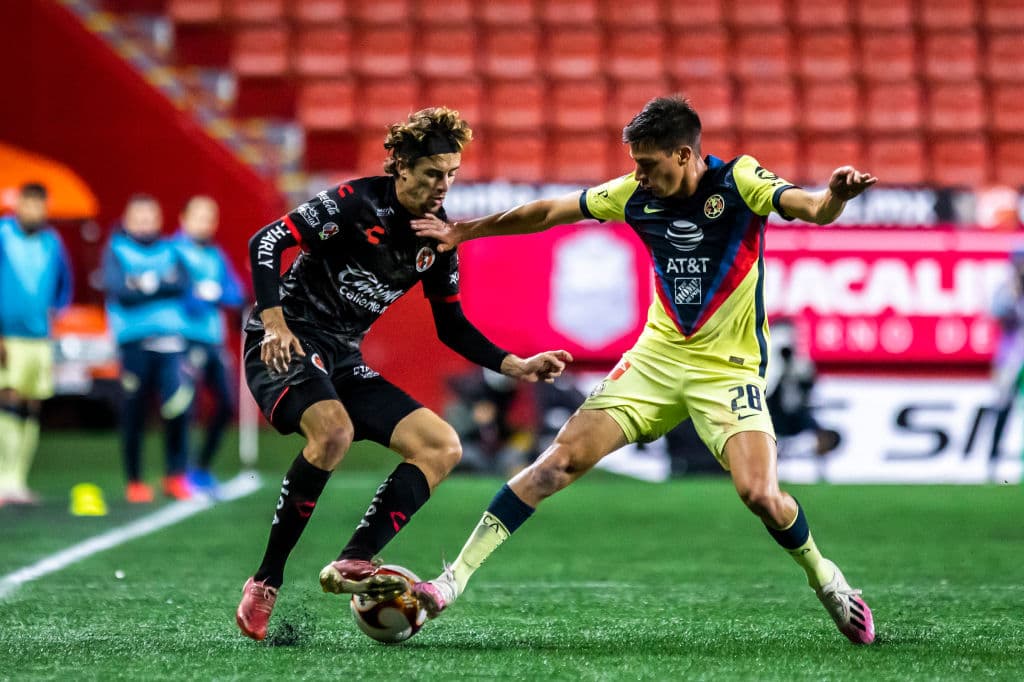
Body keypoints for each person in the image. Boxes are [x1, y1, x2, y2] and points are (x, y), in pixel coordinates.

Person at [410, 96, 879, 645]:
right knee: (553, 466)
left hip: (726, 372)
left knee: (761, 495)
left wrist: (835, 198)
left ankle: (828, 580)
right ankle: (449, 583)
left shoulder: (740, 181)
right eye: (634, 163)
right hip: (654, 362)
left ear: (684, 155)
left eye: (648, 164)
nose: (638, 175)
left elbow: (810, 207)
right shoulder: (634, 194)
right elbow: (547, 213)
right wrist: (464, 231)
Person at [234, 107, 571, 642]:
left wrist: (515, 364)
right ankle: (265, 581)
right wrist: (273, 323)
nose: (444, 185)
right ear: (402, 168)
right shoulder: (353, 203)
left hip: (341, 356)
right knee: (334, 432)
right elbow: (266, 242)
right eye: (434, 173)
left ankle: (354, 560)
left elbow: (452, 327)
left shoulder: (437, 240)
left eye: (452, 174)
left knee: (442, 446)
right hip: (286, 341)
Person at [102, 194, 194, 503]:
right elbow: (120, 291)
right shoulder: (115, 249)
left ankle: (175, 476)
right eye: (138, 217)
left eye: (149, 217)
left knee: (178, 409)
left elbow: (181, 284)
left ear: (158, 220)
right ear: (127, 220)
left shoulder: (172, 250)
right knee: (134, 413)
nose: (144, 223)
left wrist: (141, 283)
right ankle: (135, 481)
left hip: (171, 345)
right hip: (134, 345)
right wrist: (158, 284)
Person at [0, 182, 73, 505]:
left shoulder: (52, 242)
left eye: (38, 206)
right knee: (7, 399)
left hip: (39, 338)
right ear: (18, 205)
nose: (33, 211)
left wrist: (55, 312)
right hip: (8, 336)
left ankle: (18, 480)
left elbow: (64, 283)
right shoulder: (3, 234)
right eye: (27, 205)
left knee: (31, 404)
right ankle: (4, 479)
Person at [172, 196, 246, 495]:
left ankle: (201, 468)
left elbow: (235, 293)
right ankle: (181, 472)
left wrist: (212, 295)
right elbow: (180, 295)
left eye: (210, 218)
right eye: (199, 216)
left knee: (226, 404)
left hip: (212, 340)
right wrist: (203, 296)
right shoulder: (173, 252)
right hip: (182, 338)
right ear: (184, 218)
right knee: (184, 406)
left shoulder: (215, 255)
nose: (205, 223)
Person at [766, 318, 840, 471]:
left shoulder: (801, 363)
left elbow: (808, 384)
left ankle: (821, 468)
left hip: (796, 412)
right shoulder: (768, 362)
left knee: (825, 434)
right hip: (773, 411)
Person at [988, 247, 1024, 481]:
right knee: (1003, 407)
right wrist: (1013, 294)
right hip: (1010, 358)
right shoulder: (1006, 289)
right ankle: (992, 461)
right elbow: (998, 315)